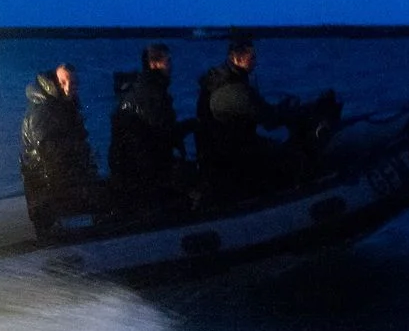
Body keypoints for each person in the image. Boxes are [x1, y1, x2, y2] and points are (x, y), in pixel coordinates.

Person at [195, 39, 341, 201]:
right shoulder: (234, 91)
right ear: (235, 59)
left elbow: (260, 112)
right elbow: (269, 119)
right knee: (290, 156)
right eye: (251, 57)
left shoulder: (219, 83)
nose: (255, 62)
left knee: (273, 145)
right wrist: (297, 111)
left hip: (225, 148)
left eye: (254, 56)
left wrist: (281, 110)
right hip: (234, 153)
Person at [107, 44, 194, 214]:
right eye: (167, 61)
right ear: (154, 64)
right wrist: (191, 125)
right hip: (146, 169)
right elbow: (162, 132)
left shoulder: (140, 90)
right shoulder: (152, 93)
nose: (171, 66)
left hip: (134, 166)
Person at [20, 63, 102, 235]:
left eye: (73, 84)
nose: (69, 88)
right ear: (54, 82)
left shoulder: (63, 107)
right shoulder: (44, 111)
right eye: (64, 82)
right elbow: (51, 153)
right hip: (49, 189)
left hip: (55, 187)